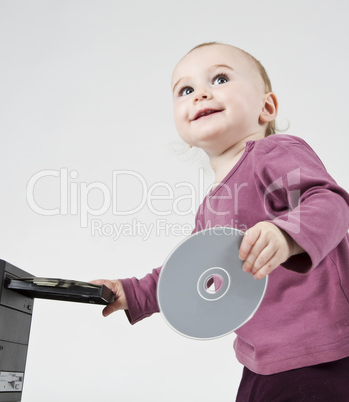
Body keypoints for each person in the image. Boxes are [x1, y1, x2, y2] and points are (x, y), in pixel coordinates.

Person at [92, 42, 349, 401]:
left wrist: (286, 235)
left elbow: (330, 203)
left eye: (220, 78)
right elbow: (188, 272)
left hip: (320, 350)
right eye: (186, 89)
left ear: (266, 107)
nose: (200, 94)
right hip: (260, 359)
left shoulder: (274, 154)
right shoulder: (212, 204)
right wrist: (133, 292)